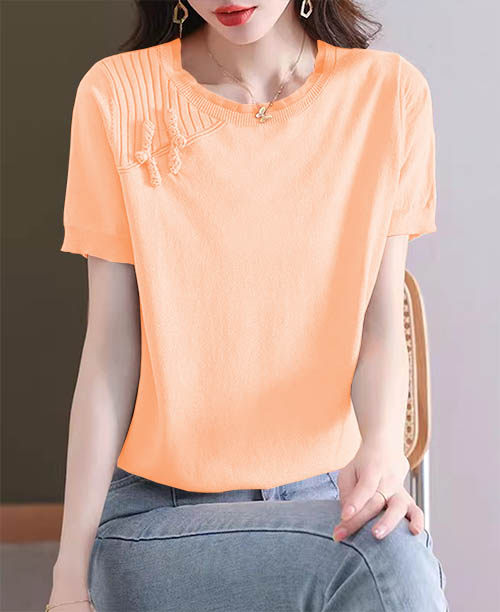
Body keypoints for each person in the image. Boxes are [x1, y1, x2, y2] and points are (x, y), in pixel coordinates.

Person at [47, 0, 449, 610]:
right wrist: (68, 578)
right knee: (384, 562)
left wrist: (383, 450)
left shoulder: (389, 97)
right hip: (160, 517)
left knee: (391, 554)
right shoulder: (118, 94)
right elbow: (108, 356)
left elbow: (380, 326)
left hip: (323, 501)